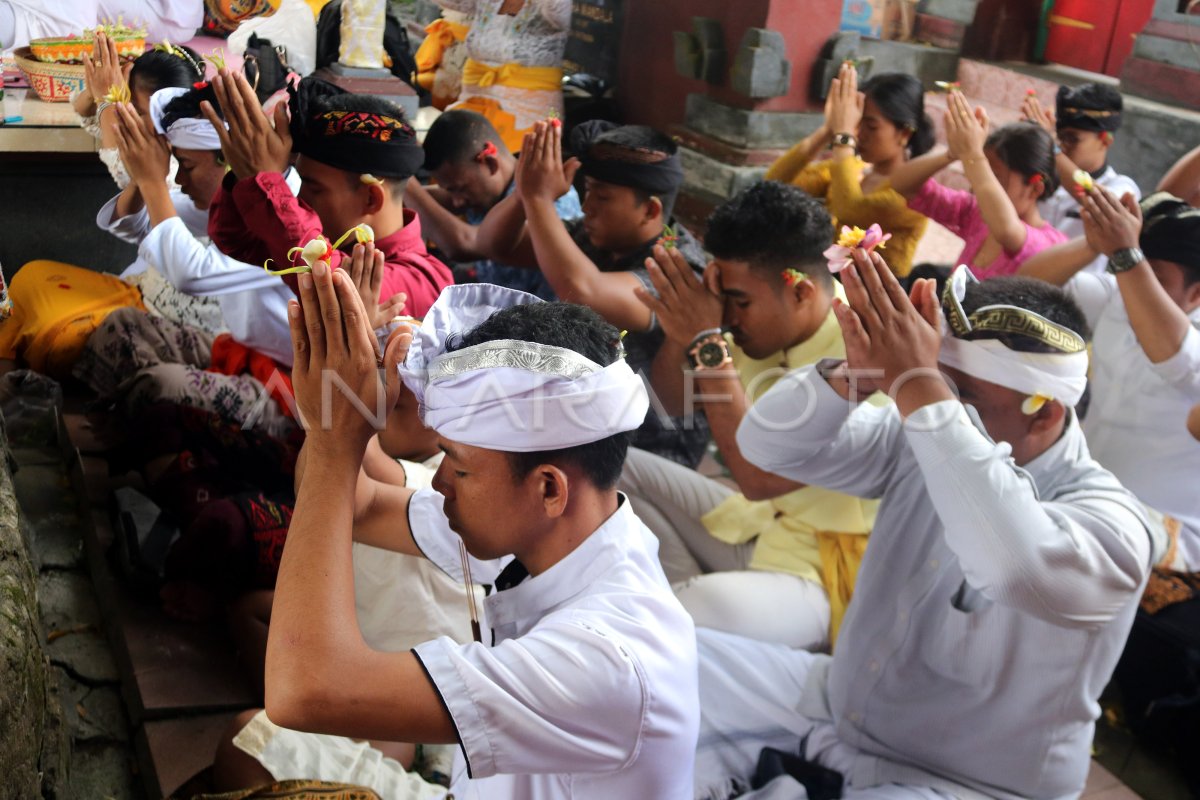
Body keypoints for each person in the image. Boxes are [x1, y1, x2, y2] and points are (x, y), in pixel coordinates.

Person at [692, 251, 1160, 800]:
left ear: (1046, 412)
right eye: (937, 384)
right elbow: (764, 448)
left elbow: (1013, 569)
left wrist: (923, 392)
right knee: (657, 656)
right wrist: (855, 376)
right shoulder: (927, 431)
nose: (932, 403)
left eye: (960, 395)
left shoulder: (1118, 527)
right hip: (836, 709)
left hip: (970, 784)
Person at [214, 279, 699, 798]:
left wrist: (336, 441)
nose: (440, 479)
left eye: (460, 467)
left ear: (549, 489)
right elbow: (362, 505)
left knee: (267, 736)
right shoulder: (567, 535)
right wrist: (340, 411)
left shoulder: (605, 661)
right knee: (252, 741)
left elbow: (302, 690)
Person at [618, 182, 878, 650]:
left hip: (826, 570)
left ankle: (690, 608)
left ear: (798, 291)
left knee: (662, 621)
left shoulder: (866, 352)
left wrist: (707, 343)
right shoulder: (760, 326)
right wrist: (685, 335)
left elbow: (758, 477)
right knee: (611, 467)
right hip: (756, 524)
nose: (729, 316)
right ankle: (689, 603)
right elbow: (671, 404)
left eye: (739, 301)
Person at [475, 119, 712, 467]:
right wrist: (525, 194)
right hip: (583, 421)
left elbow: (583, 289)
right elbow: (492, 244)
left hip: (647, 446)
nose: (587, 207)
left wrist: (540, 199)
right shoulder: (598, 237)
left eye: (602, 197)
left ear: (650, 210)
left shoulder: (677, 268)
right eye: (587, 192)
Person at [1020, 188, 1200, 571]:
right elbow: (1027, 289)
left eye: (1157, 278)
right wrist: (1094, 244)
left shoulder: (1183, 332)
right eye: (1135, 271)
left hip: (1169, 545)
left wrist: (1127, 257)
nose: (1137, 283)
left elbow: (1177, 359)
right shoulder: (1119, 293)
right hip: (1083, 506)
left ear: (1197, 294)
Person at [202, 71, 453, 318]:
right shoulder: (334, 243)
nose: (300, 201)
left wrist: (264, 180)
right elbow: (236, 237)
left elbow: (335, 286)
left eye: (314, 188)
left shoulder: (427, 282)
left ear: (371, 199)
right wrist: (245, 172)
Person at [765, 63, 932, 277]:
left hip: (877, 298)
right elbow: (775, 182)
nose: (859, 134)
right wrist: (829, 129)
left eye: (871, 127)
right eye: (857, 124)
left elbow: (850, 208)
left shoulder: (914, 189)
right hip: (831, 281)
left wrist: (843, 136)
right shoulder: (854, 168)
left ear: (905, 134)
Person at [889, 90, 1067, 279]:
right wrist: (952, 153)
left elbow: (1006, 231)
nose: (979, 187)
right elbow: (902, 184)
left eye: (993, 178)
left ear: (1035, 188)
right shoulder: (976, 213)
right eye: (982, 175)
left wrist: (973, 156)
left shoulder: (1050, 245)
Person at [406, 108, 580, 299]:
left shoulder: (549, 203)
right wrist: (395, 190)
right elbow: (434, 199)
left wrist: (404, 181)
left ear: (490, 163)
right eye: (451, 191)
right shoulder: (486, 188)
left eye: (460, 189)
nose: (457, 201)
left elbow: (463, 245)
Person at [1022, 83, 1141, 278]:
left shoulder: (1122, 188)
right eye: (1060, 138)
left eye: (1072, 139)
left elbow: (1102, 208)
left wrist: (1051, 147)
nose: (1063, 146)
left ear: (1105, 140)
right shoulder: (1040, 175)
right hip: (1022, 279)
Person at [431, 0, 572, 153]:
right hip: (474, 99)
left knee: (507, 167)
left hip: (530, 110)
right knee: (451, 157)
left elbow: (562, 17)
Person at [74, 34, 206, 189]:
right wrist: (95, 90)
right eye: (128, 105)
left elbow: (124, 169)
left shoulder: (185, 158)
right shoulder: (147, 130)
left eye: (140, 112)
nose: (127, 115)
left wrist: (106, 98)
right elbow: (86, 114)